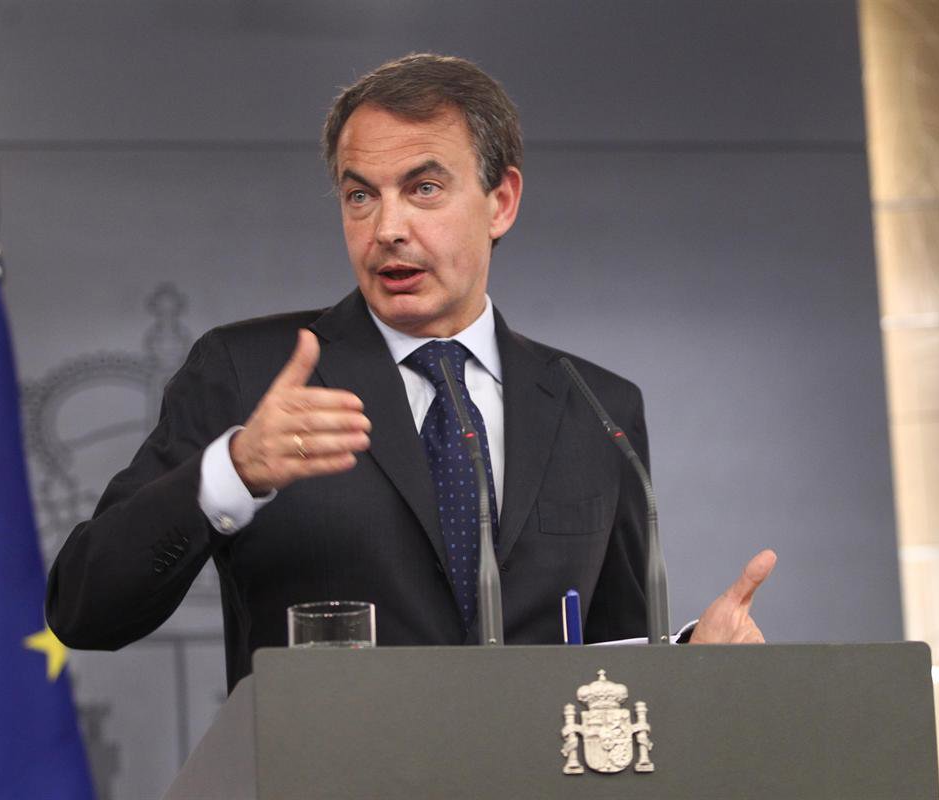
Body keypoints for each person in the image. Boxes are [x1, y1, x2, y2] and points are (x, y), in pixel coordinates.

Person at [45, 53, 776, 690]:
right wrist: (229, 474)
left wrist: (690, 660)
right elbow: (84, 609)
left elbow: (614, 669)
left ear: (501, 202)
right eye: (360, 195)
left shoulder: (596, 407)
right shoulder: (250, 374)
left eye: (423, 188)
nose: (386, 228)